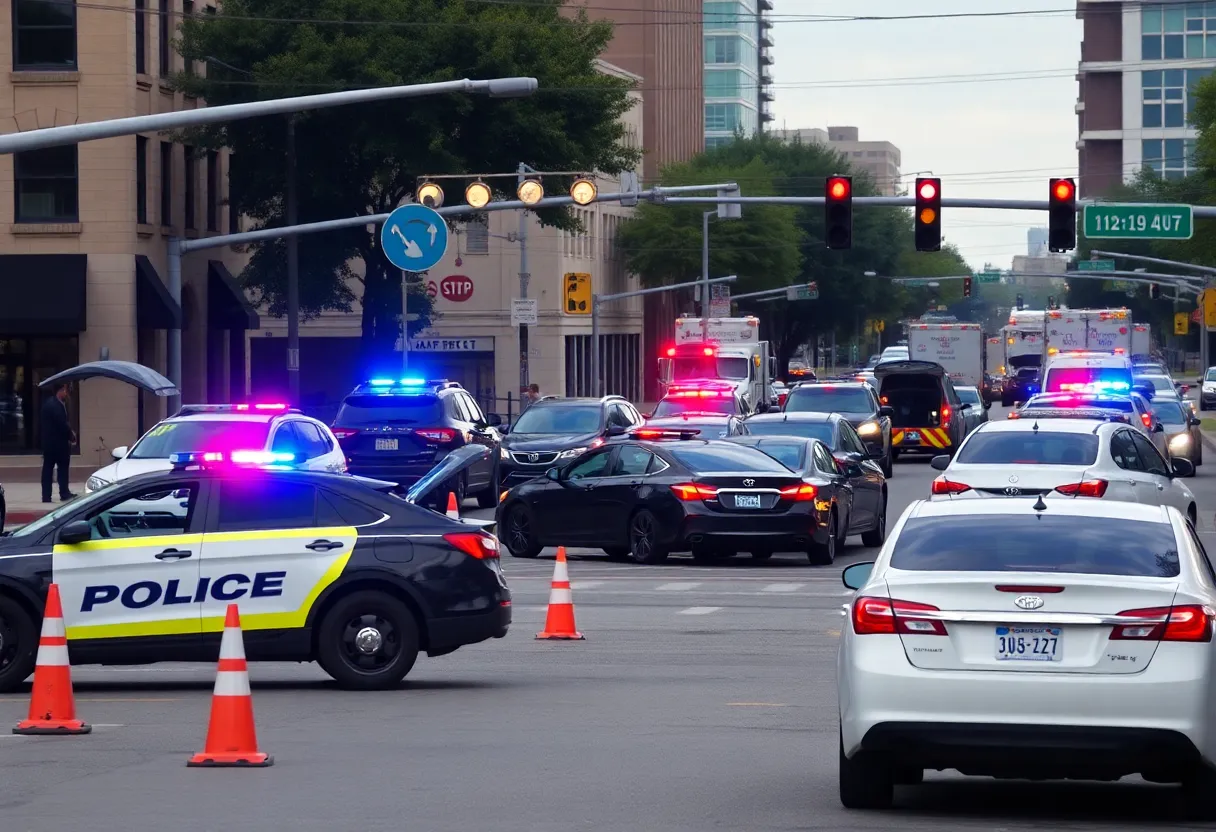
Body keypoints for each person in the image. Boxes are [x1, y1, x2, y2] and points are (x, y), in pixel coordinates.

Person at [40, 383, 76, 503]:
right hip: (58, 444)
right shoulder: (55, 406)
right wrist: (71, 435)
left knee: (47, 469)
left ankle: (46, 496)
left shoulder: (49, 403)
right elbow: (62, 424)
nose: (66, 393)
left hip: (49, 444)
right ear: (59, 391)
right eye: (65, 390)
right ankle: (64, 493)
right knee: (62, 469)